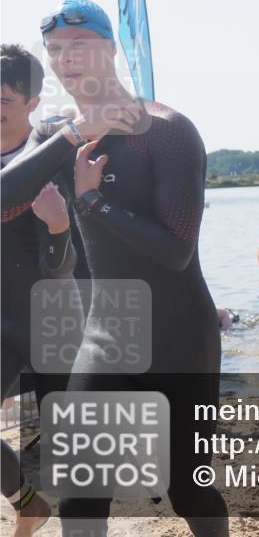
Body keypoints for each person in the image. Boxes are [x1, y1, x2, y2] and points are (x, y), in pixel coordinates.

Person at [0, 0, 229, 537]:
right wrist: (76, 134)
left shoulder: (168, 130)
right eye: (56, 50)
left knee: (187, 488)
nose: (66, 59)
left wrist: (91, 202)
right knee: (81, 495)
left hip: (179, 335)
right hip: (107, 334)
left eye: (79, 46)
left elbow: (176, 251)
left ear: (109, 49)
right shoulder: (58, 134)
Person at [0, 44, 81, 537]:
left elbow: (64, 266)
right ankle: (28, 504)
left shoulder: (49, 152)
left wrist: (57, 230)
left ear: (31, 101)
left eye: (5, 96)